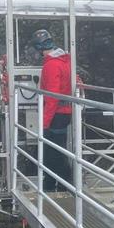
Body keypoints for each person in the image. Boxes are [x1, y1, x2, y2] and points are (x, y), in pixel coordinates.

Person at [32, 29, 74, 192]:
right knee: (56, 150)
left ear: (38, 48)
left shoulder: (51, 65)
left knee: (54, 153)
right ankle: (53, 184)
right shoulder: (66, 61)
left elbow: (51, 97)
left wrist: (44, 123)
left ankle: (62, 186)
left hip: (56, 115)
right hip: (64, 113)